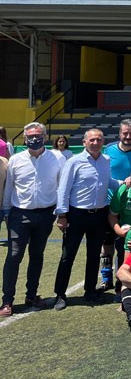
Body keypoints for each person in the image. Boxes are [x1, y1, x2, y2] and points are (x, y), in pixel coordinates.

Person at [54, 128, 119, 311]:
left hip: (99, 214)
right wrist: (62, 215)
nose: (96, 142)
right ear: (84, 142)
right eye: (92, 140)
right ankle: (60, 294)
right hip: (77, 215)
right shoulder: (74, 161)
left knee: (93, 255)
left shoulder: (106, 161)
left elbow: (109, 182)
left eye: (99, 139)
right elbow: (63, 189)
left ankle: (90, 290)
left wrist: (125, 183)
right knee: (68, 256)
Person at [1, 122, 60, 316]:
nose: (34, 139)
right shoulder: (16, 160)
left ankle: (31, 295)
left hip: (46, 214)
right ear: (25, 138)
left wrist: (60, 212)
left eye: (38, 136)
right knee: (14, 256)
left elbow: (61, 186)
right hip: (19, 214)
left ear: (45, 137)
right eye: (30, 136)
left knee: (37, 255)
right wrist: (7, 211)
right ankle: (7, 301)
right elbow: (9, 187)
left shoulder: (56, 158)